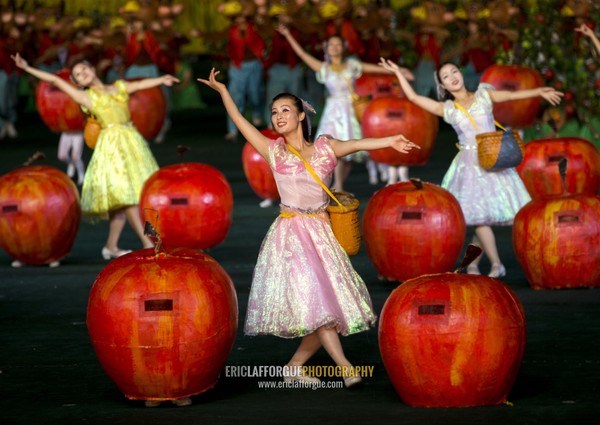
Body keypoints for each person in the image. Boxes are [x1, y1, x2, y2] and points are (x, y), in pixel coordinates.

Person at [198, 67, 419, 387]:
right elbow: (241, 122)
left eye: (285, 110)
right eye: (274, 112)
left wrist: (391, 139)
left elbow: (358, 143)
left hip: (323, 232)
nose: (278, 116)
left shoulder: (326, 148)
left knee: (325, 307)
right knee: (318, 302)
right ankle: (345, 367)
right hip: (291, 234)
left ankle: (294, 368)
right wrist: (224, 93)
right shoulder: (272, 150)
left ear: (301, 115)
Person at [379, 58, 563, 278]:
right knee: (479, 218)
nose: (452, 77)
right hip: (468, 166)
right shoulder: (447, 108)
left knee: (480, 218)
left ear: (461, 74)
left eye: (454, 71)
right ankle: (496, 264)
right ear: (443, 86)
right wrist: (398, 72)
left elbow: (511, 96)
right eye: (446, 76)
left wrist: (538, 91)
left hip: (492, 158)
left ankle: (474, 263)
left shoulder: (484, 95)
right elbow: (414, 97)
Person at [11, 52, 179, 261]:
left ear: (92, 68)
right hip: (112, 147)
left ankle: (111, 246)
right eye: (78, 75)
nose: (83, 74)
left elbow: (140, 84)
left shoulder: (117, 87)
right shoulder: (86, 97)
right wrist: (26, 68)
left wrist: (161, 79)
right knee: (128, 198)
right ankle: (147, 242)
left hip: (132, 142)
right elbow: (54, 80)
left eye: (84, 69)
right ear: (78, 83)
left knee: (130, 197)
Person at [277, 24, 414, 193]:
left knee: (350, 153)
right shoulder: (324, 68)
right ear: (327, 48)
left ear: (343, 48)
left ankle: (337, 184)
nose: (334, 47)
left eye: (338, 44)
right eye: (331, 45)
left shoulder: (352, 65)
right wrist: (288, 34)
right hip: (333, 112)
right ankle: (336, 186)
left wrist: (400, 71)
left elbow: (376, 69)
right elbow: (302, 54)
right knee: (330, 148)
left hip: (350, 111)